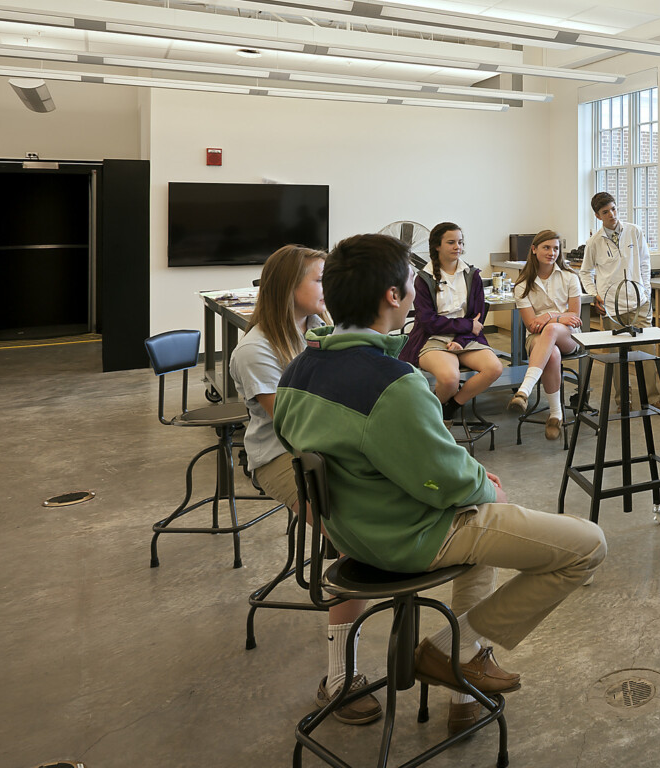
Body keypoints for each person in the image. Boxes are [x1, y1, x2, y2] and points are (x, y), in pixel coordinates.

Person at [273, 233, 607, 737]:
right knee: (585, 544)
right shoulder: (394, 384)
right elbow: (446, 478)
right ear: (393, 296)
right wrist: (487, 486)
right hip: (406, 536)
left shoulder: (297, 371)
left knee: (485, 516)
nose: (415, 287)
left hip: (349, 532)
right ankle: (452, 650)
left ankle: (463, 678)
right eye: (411, 281)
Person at [229, 244, 380, 725]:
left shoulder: (316, 331)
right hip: (279, 457)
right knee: (351, 538)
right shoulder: (254, 349)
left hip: (322, 446)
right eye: (319, 280)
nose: (328, 290)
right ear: (287, 288)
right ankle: (339, 679)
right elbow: (293, 427)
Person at [399, 222, 502, 421]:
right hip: (433, 338)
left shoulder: (473, 275)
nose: (458, 247)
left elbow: (477, 318)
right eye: (451, 242)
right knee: (450, 379)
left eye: (460, 242)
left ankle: (448, 409)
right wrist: (467, 326)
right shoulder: (423, 279)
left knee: (495, 368)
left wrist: (462, 339)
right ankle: (431, 416)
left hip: (466, 338)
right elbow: (429, 322)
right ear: (437, 245)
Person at [580, 191, 660, 412]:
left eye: (614, 209)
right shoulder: (593, 242)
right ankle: (623, 400)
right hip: (612, 306)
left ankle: (653, 397)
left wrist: (646, 291)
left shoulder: (634, 231)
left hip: (640, 303)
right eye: (605, 212)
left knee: (648, 352)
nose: (612, 214)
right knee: (618, 355)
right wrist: (594, 294)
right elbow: (585, 272)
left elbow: (645, 263)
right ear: (598, 216)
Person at [508, 229, 584, 440]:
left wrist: (549, 316)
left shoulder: (570, 277)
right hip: (537, 339)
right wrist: (559, 316)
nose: (552, 252)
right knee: (552, 355)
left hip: (570, 336)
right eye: (546, 247)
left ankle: (525, 389)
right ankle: (555, 415)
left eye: (556, 248)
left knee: (550, 329)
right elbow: (532, 325)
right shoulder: (523, 284)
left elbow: (575, 317)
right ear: (534, 250)